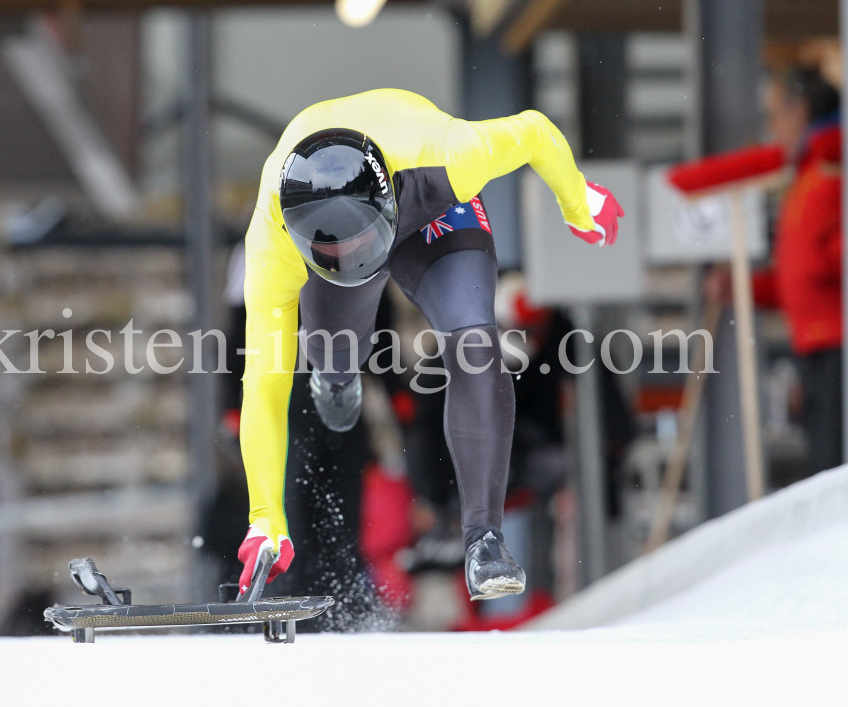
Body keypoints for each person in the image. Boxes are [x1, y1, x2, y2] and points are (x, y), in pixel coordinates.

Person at [235, 89, 623, 601]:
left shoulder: (450, 154)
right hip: (350, 234)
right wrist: (265, 518)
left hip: (427, 206)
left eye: (361, 246)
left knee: (476, 344)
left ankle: (484, 539)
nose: (356, 257)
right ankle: (336, 375)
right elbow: (264, 385)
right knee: (330, 352)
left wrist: (578, 201)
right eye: (335, 252)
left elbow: (536, 132)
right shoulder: (271, 242)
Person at [752, 68, 842, 475]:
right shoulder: (809, 174)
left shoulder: (831, 166)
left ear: (800, 110)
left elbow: (827, 257)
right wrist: (748, 287)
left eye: (775, 116)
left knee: (832, 468)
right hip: (818, 344)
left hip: (837, 343)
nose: (773, 128)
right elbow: (799, 275)